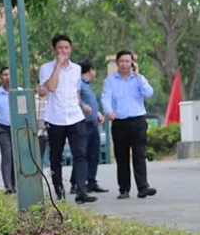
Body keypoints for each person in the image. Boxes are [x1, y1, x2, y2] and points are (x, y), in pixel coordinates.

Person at [38, 34, 96, 202]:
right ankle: (59, 192)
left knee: (80, 154)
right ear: (54, 50)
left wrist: (82, 105)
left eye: (66, 48)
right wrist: (58, 66)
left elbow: (75, 92)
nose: (63, 51)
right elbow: (51, 87)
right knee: (55, 156)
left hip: (75, 116)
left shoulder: (77, 69)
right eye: (60, 48)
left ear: (71, 49)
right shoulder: (46, 68)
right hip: (55, 118)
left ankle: (81, 192)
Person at [102, 51, 156, 200]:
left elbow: (149, 92)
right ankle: (124, 189)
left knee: (139, 155)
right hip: (119, 123)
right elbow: (106, 97)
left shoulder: (138, 79)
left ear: (132, 63)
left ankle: (143, 187)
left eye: (128, 61)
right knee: (122, 156)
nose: (125, 64)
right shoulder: (110, 81)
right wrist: (108, 111)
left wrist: (138, 76)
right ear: (117, 63)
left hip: (138, 121)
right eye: (122, 61)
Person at [71, 61, 107, 195]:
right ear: (91, 70)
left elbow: (91, 103)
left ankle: (91, 182)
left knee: (94, 154)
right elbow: (76, 98)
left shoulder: (87, 85)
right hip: (82, 124)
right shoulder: (79, 83)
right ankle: (75, 183)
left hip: (92, 124)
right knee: (82, 155)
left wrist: (97, 114)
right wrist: (83, 105)